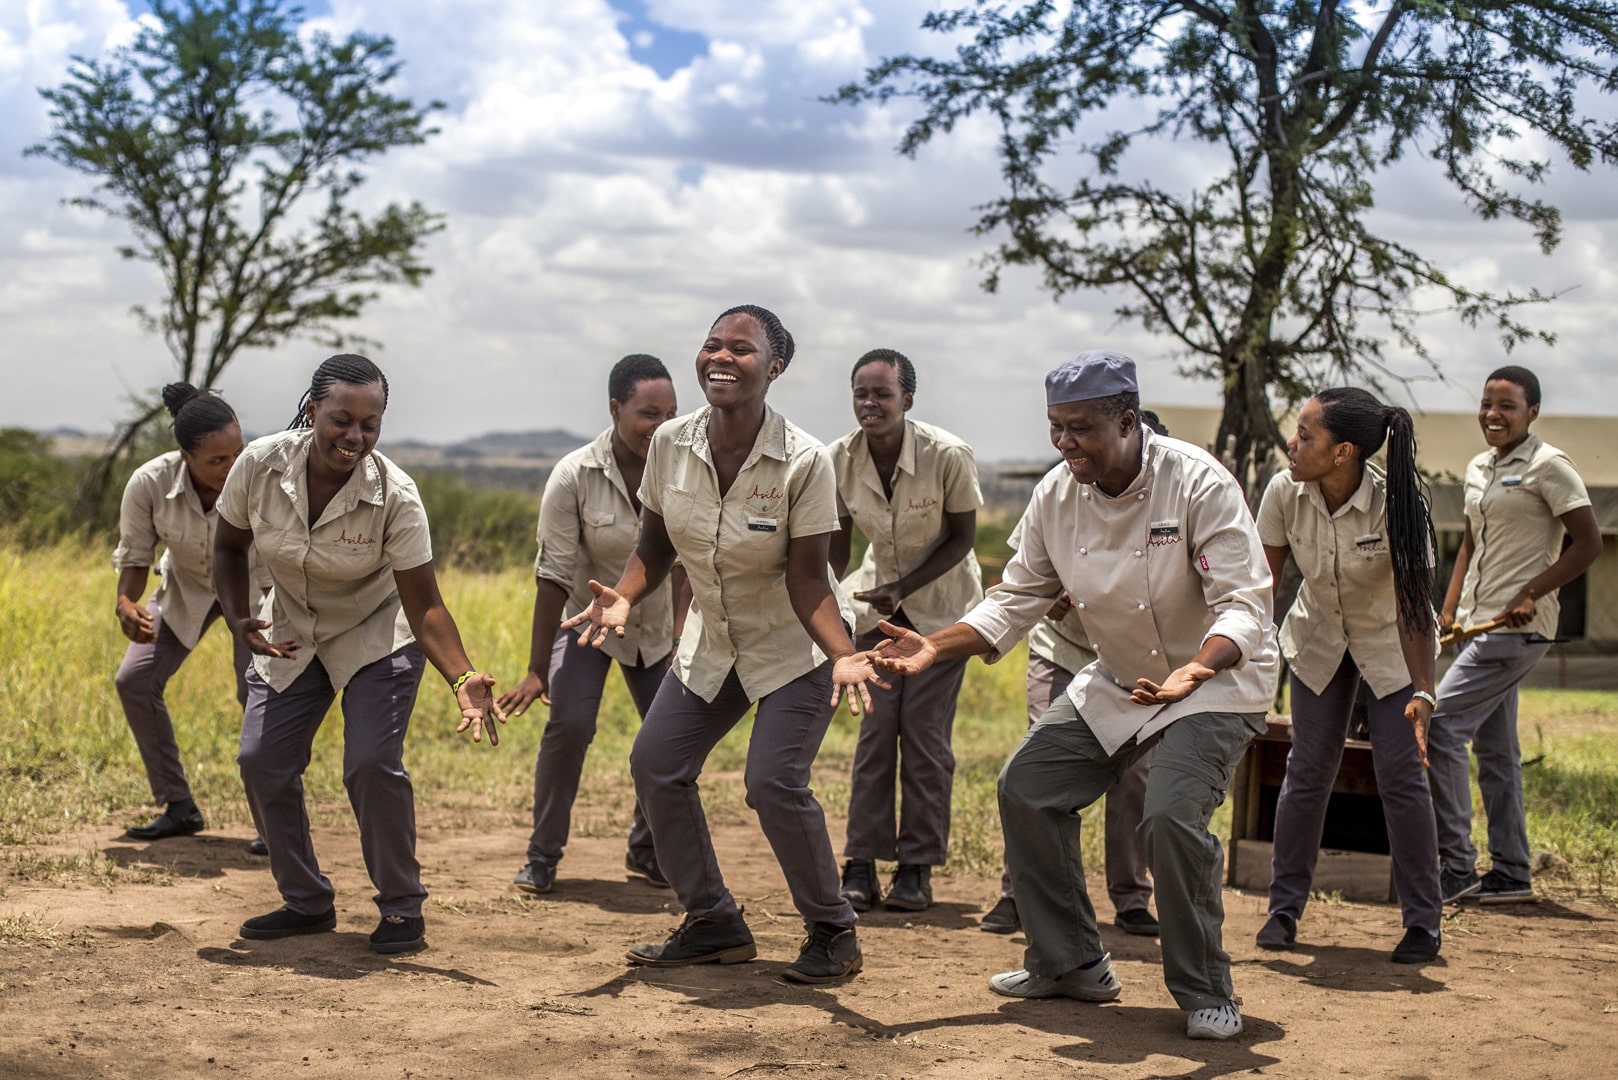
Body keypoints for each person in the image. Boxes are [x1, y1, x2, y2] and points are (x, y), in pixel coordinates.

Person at [874, 351, 1279, 1041]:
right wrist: (934, 645)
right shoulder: (1056, 495)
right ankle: (1071, 965)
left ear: (1127, 420)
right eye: (1056, 428)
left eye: (1082, 428)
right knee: (1028, 786)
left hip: (1217, 683)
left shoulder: (1197, 483)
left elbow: (1244, 605)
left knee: (1171, 818)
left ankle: (1206, 989)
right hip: (1122, 679)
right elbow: (1017, 596)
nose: (1066, 445)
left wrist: (1196, 672)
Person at [562, 304, 886, 984]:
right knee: (656, 764)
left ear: (775, 367)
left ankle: (832, 929)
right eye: (713, 345)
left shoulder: (804, 461)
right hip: (713, 638)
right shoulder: (671, 445)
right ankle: (712, 920)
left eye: (741, 349)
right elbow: (654, 546)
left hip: (795, 645)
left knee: (772, 782)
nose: (721, 358)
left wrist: (842, 652)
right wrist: (624, 594)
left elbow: (808, 579)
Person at [213, 353, 505, 956]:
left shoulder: (396, 495)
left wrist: (462, 676)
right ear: (312, 408)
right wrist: (241, 616)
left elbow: (424, 603)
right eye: (342, 420)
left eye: (370, 425)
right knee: (262, 760)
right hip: (292, 626)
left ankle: (401, 909)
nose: (356, 437)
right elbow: (228, 544)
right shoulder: (261, 466)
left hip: (378, 632)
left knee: (370, 764)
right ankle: (306, 902)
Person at [1254, 388, 1444, 963]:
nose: (1293, 442)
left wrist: (1423, 693)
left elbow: (1414, 609)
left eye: (1306, 435)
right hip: (1318, 641)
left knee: (1401, 776)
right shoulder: (1285, 491)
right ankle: (1283, 911)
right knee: (1307, 770)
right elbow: (1263, 589)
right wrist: (1245, 665)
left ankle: (1422, 923)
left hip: (1391, 646)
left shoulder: (1399, 504)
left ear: (1343, 452)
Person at [980, 408, 1174, 938]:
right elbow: (1020, 579)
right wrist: (1055, 594)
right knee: (1040, 766)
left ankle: (1131, 896)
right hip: (1061, 650)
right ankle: (1018, 893)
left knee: (1133, 775)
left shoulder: (1170, 499)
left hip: (1132, 660)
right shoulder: (1063, 491)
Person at [499, 354, 687, 894]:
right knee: (570, 725)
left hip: (658, 630)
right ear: (615, 408)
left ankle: (646, 849)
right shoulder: (574, 475)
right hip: (587, 626)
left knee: (670, 739)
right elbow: (552, 575)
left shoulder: (684, 472)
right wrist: (538, 670)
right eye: (648, 413)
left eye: (671, 413)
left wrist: (680, 637)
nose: (661, 426)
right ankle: (542, 855)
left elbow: (691, 564)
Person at [1429, 365, 1600, 904]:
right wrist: (1449, 607)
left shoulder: (1550, 466)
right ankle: (1511, 872)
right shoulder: (1479, 467)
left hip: (1516, 632)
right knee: (1497, 753)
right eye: (1486, 403)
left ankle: (1456, 869)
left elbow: (1588, 544)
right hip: (1477, 623)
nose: (1492, 414)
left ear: (1533, 413)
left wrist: (1532, 592)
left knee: (1441, 728)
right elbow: (1470, 544)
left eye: (1506, 405)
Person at [827, 348, 983, 913]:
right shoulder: (837, 459)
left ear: (906, 400)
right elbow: (837, 542)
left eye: (882, 394)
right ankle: (860, 864)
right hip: (876, 609)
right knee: (874, 738)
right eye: (861, 394)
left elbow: (962, 538)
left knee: (924, 741)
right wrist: (825, 597)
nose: (870, 404)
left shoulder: (946, 455)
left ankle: (916, 869)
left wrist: (906, 585)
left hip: (943, 612)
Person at [113, 382, 265, 853]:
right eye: (216, 461)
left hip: (257, 593)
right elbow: (137, 554)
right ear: (184, 456)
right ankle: (179, 807)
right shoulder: (148, 483)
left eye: (236, 454)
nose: (230, 468)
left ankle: (273, 823)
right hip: (186, 589)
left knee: (257, 693)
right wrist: (125, 602)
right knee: (134, 681)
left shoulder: (260, 478)